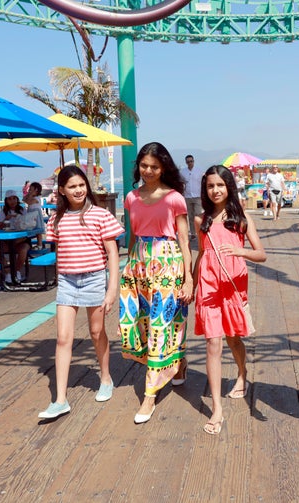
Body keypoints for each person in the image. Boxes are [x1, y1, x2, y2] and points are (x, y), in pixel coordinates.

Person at [38, 165, 123, 419]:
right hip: (67, 282)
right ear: (62, 191)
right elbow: (58, 252)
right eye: (72, 186)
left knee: (97, 333)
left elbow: (112, 254)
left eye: (81, 185)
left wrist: (111, 290)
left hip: (95, 279)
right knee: (63, 338)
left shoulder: (100, 215)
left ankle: (105, 378)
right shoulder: (56, 219)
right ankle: (60, 399)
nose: (78, 190)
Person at [118, 142, 194, 424]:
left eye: (154, 166)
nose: (148, 171)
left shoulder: (174, 198)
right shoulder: (131, 197)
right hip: (138, 264)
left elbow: (185, 240)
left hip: (168, 263)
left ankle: (150, 394)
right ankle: (180, 363)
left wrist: (189, 278)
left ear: (164, 168)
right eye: (144, 165)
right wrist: (129, 268)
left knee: (162, 325)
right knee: (141, 324)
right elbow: (133, 235)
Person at [192, 165, 267, 435]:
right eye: (211, 186)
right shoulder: (201, 221)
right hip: (209, 286)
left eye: (220, 185)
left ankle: (242, 374)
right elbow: (201, 254)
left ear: (229, 187)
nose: (215, 190)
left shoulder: (242, 218)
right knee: (213, 342)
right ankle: (216, 409)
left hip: (233, 284)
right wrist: (192, 282)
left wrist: (239, 251)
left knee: (234, 337)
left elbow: (261, 254)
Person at [0, 190, 32, 283]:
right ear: (6, 201)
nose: (12, 201)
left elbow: (26, 225)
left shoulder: (22, 210)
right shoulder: (3, 212)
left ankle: (16, 271)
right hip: (8, 240)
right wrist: (6, 219)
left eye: (14, 198)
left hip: (21, 239)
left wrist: (19, 219)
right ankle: (8, 272)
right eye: (9, 199)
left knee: (23, 250)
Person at [181, 154, 204, 240]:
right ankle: (193, 233)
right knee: (190, 216)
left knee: (198, 215)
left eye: (191, 161)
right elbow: (180, 182)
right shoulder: (183, 172)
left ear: (193, 161)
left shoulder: (199, 171)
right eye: (188, 162)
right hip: (187, 196)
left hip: (197, 196)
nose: (190, 163)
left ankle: (201, 231)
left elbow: (203, 182)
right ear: (186, 162)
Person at [23, 181, 45, 249]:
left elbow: (29, 202)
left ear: (36, 190)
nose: (29, 191)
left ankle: (40, 245)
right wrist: (29, 194)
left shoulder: (37, 198)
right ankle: (29, 244)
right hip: (30, 213)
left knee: (38, 230)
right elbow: (24, 199)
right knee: (29, 228)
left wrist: (30, 195)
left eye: (31, 189)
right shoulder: (31, 196)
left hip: (36, 214)